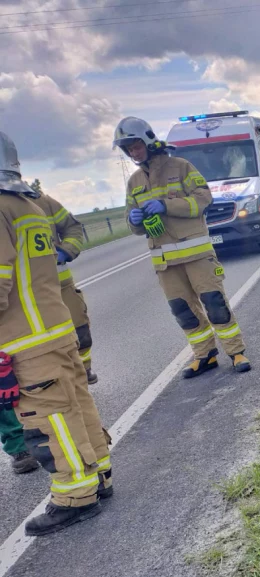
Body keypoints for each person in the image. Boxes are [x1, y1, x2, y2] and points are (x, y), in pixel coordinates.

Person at [0, 131, 112, 535]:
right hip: (56, 329)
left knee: (48, 421)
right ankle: (99, 475)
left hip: (25, 341)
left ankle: (74, 497)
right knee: (78, 406)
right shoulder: (27, 204)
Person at [114, 117, 251, 378]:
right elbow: (134, 223)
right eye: (128, 149)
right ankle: (205, 355)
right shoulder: (134, 182)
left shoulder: (180, 166)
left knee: (215, 304)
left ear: (148, 140)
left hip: (197, 254)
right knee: (183, 311)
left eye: (135, 145)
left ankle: (236, 352)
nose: (133, 152)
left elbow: (203, 198)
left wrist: (166, 205)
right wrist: (134, 222)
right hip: (165, 262)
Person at [30, 191, 97, 384]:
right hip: (24, 293)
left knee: (80, 330)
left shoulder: (41, 201)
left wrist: (66, 250)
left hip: (61, 284)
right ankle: (56, 382)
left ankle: (84, 371)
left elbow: (72, 227)